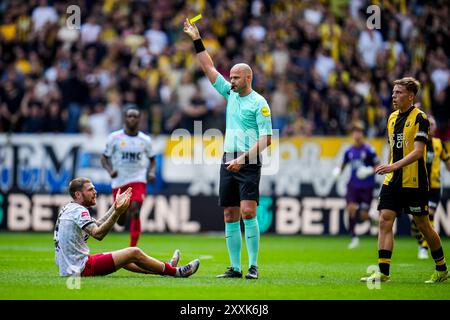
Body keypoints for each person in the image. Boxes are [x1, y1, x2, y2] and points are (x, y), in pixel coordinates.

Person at [183, 18, 273, 279]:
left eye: (235, 77)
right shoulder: (230, 94)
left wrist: (243, 159)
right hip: (228, 159)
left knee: (248, 211)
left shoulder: (260, 103)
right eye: (230, 77)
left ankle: (253, 266)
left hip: (249, 161)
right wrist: (196, 39)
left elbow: (267, 139)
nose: (230, 81)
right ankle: (235, 267)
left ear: (248, 78)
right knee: (230, 214)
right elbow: (208, 67)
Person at [360, 77, 448, 284]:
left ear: (411, 96)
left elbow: (418, 152)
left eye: (398, 92)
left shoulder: (420, 118)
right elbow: (393, 148)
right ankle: (383, 272)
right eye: (393, 92)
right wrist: (389, 166)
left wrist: (394, 165)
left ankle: (442, 268)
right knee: (384, 220)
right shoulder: (391, 118)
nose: (393, 96)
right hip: (393, 180)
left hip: (414, 181)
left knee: (423, 225)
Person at [53, 177, 200, 277]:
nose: (95, 192)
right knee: (133, 252)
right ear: (78, 194)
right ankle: (177, 272)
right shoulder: (79, 211)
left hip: (70, 266)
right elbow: (98, 234)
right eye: (90, 190)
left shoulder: (70, 208)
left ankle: (166, 267)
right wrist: (117, 213)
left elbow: (96, 225)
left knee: (124, 260)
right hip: (80, 268)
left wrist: (114, 207)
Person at [101, 106, 156, 247]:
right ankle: (122, 219)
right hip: (119, 181)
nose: (132, 119)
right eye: (129, 116)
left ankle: (132, 249)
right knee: (121, 220)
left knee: (136, 211)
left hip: (138, 179)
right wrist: (110, 170)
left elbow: (152, 160)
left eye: (135, 116)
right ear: (125, 118)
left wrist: (151, 172)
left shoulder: (145, 140)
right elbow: (104, 158)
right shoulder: (114, 138)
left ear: (139, 119)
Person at [334, 121, 379, 249]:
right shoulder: (349, 151)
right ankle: (354, 237)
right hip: (353, 185)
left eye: (358, 132)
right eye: (354, 132)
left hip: (367, 186)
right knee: (351, 209)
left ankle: (371, 218)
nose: (356, 135)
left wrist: (369, 170)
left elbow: (378, 166)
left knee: (363, 216)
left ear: (362, 134)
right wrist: (338, 172)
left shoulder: (369, 150)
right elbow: (343, 164)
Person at [411, 113, 450, 259]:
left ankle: (423, 247)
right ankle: (419, 238)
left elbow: (447, 163)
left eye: (433, 124)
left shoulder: (439, 144)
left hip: (433, 186)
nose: (431, 126)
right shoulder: (416, 143)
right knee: (417, 222)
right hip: (417, 185)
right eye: (429, 124)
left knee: (430, 214)